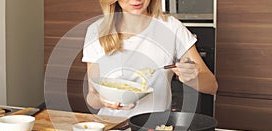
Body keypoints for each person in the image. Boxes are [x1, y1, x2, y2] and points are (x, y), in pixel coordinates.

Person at [82, 0, 218, 118]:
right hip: (110, 127)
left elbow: (212, 86)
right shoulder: (96, 31)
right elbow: (92, 96)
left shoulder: (171, 27)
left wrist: (192, 78)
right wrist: (103, 101)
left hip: (155, 128)